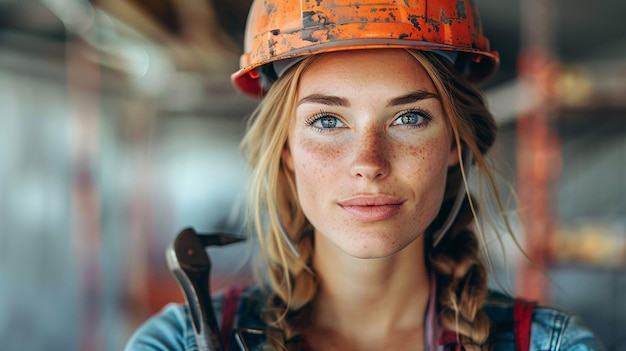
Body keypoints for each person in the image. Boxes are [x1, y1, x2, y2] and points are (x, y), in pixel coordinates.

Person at [125, 0, 605, 350]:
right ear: (287, 150)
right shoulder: (177, 343)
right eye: (328, 121)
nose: (369, 162)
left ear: (455, 144)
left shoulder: (552, 345)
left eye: (409, 118)